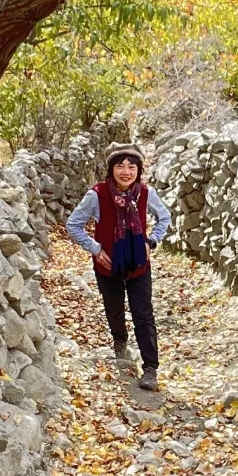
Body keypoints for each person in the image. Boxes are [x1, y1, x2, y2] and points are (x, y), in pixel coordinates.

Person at [66, 144, 171, 390]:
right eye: (120, 166)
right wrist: (95, 249)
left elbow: (164, 217)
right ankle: (119, 342)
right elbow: (74, 224)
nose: (126, 171)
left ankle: (150, 368)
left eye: (131, 166)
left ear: (139, 170)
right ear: (111, 169)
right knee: (114, 309)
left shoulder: (146, 194)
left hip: (139, 264)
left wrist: (151, 240)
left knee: (143, 315)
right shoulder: (97, 195)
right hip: (108, 264)